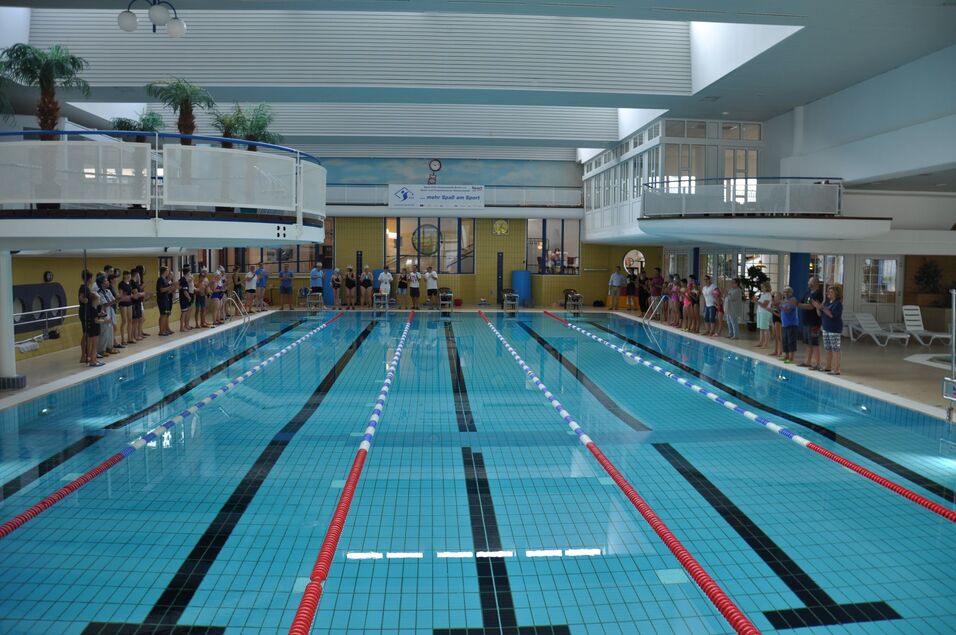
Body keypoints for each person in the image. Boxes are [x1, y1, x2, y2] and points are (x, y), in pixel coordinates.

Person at [814, 285, 843, 375]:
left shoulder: (838, 304)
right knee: (828, 348)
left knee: (835, 349)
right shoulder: (827, 302)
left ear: (836, 294)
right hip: (826, 328)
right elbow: (820, 314)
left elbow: (832, 315)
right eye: (828, 291)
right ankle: (828, 366)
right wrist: (818, 307)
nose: (828, 293)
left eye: (831, 292)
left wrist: (822, 308)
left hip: (834, 329)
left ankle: (837, 369)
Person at [797, 277, 824, 370]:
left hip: (814, 322)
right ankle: (807, 361)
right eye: (809, 282)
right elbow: (801, 302)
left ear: (816, 283)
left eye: (811, 282)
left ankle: (817, 363)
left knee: (815, 343)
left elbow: (811, 307)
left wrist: (797, 304)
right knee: (808, 343)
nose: (809, 284)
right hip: (806, 321)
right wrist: (797, 303)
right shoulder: (808, 293)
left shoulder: (818, 294)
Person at [780, 286, 799, 364]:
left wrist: (781, 306)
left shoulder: (793, 300)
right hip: (785, 324)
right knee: (785, 340)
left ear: (791, 293)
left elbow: (788, 310)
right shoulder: (784, 300)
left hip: (792, 324)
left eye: (788, 292)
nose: (786, 294)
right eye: (784, 292)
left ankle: (791, 357)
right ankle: (786, 356)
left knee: (791, 341)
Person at [754, 281, 773, 348]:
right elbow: (760, 303)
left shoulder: (768, 295)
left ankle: (766, 343)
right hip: (760, 312)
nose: (761, 288)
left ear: (767, 287)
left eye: (763, 287)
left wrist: (757, 301)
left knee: (765, 328)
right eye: (761, 286)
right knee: (761, 329)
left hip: (765, 313)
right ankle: (761, 342)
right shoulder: (763, 294)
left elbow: (765, 305)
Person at [156, 266, 174, 336]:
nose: (168, 273)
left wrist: (172, 288)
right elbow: (161, 290)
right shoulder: (160, 279)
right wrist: (170, 287)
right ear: (165, 272)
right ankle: (161, 331)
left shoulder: (164, 280)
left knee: (166, 314)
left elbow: (166, 291)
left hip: (166, 299)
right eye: (167, 271)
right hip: (162, 300)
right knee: (163, 315)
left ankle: (165, 329)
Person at [118, 270, 134, 346]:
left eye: (129, 275)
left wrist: (131, 296)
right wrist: (128, 296)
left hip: (129, 303)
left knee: (130, 320)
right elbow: (121, 296)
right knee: (124, 321)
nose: (129, 276)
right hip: (123, 304)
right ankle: (123, 339)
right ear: (124, 276)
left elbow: (130, 294)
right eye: (127, 275)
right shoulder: (121, 284)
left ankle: (129, 338)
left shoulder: (130, 283)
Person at [179, 265, 193, 332]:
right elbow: (185, 291)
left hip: (183, 299)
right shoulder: (184, 280)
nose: (190, 274)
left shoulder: (183, 279)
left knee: (184, 313)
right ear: (187, 273)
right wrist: (189, 297)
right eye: (190, 272)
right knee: (184, 313)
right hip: (184, 299)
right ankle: (182, 327)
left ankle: (183, 326)